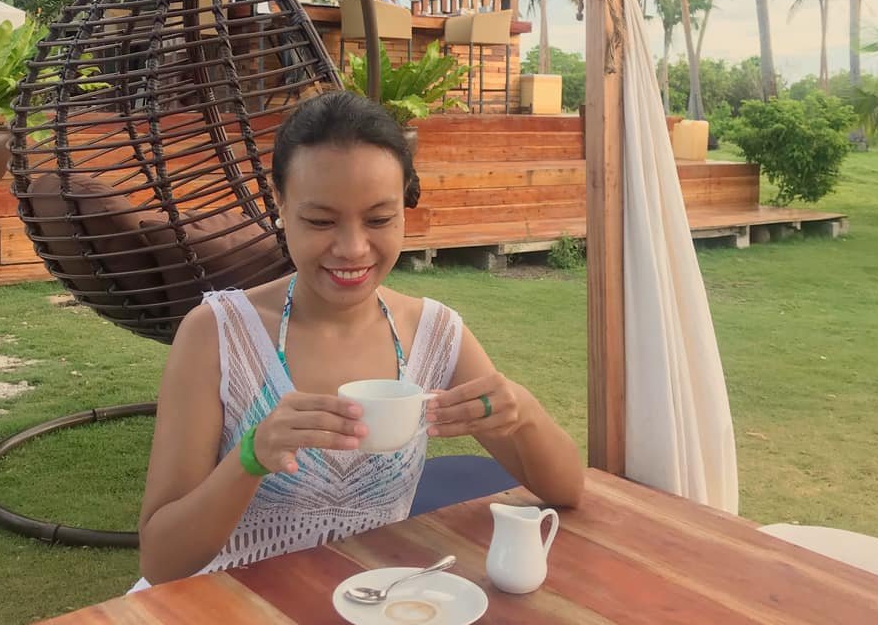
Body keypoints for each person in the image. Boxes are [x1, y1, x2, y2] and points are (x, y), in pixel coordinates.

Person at [136, 91, 583, 586]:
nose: (352, 249)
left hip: (372, 604)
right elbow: (161, 562)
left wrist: (524, 413)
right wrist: (250, 457)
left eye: (379, 219)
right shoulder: (219, 334)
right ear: (280, 203)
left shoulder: (433, 335)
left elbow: (566, 491)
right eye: (321, 220)